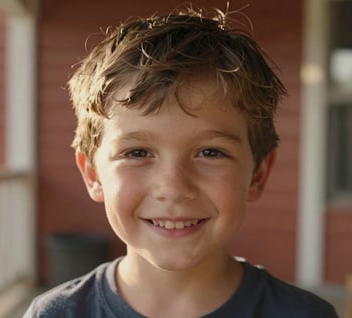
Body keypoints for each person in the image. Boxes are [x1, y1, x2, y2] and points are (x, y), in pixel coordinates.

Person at [24, 5, 338, 318]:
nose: (173, 188)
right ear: (93, 175)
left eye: (210, 152)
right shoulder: (55, 314)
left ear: (257, 174)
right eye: (137, 153)